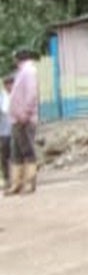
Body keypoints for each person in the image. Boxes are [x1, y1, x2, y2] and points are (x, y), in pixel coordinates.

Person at [6, 48, 39, 196]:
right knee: (16, 152)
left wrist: (25, 112)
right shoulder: (22, 73)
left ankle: (28, 182)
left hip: (24, 118)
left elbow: (31, 94)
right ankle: (16, 183)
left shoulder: (29, 72)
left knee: (27, 151)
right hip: (16, 119)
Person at [0, 75, 12, 190]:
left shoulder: (16, 95)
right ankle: (6, 178)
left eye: (11, 84)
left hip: (15, 130)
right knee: (4, 155)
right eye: (7, 84)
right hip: (3, 131)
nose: (9, 86)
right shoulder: (2, 97)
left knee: (16, 155)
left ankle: (17, 177)